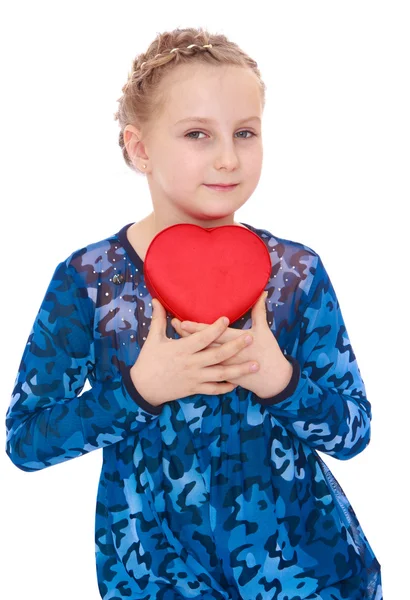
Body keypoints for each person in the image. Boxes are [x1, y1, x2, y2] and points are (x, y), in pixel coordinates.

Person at [5, 26, 382, 600]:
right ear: (140, 147)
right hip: (155, 578)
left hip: (309, 573)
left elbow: (354, 431)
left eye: (245, 132)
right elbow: (28, 441)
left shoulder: (296, 272)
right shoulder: (88, 281)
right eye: (198, 134)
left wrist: (280, 380)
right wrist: (139, 390)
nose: (228, 158)